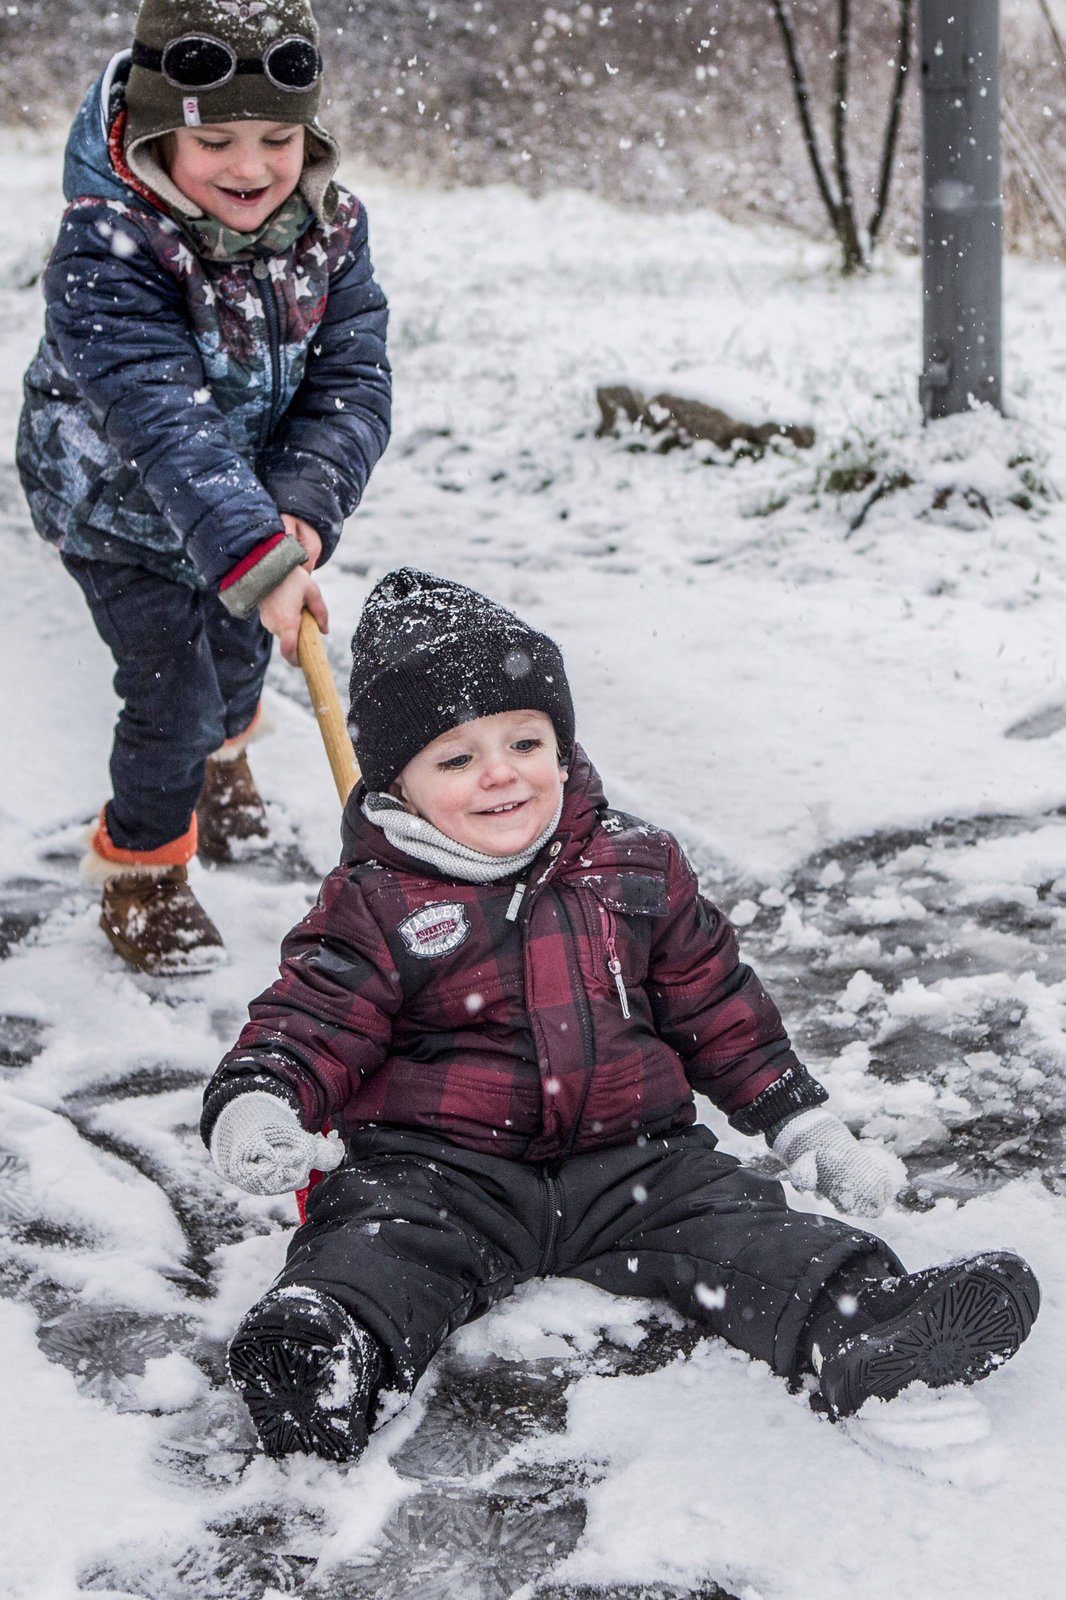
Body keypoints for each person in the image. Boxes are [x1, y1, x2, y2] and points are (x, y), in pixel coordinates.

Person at [202, 568, 1039, 1462]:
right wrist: (259, 1099)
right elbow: (310, 1015)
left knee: (745, 1226)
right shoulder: (378, 901)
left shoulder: (636, 865)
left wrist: (805, 1125)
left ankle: (864, 1324)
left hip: (637, 1164)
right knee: (377, 1244)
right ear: (398, 786)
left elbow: (720, 1008)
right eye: (455, 759)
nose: (501, 775)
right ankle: (326, 1355)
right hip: (444, 1172)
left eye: (525, 741)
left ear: (561, 745)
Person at [17, 0, 391, 974]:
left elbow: (352, 381)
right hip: (117, 508)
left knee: (235, 665)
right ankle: (143, 875)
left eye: (277, 136)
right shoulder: (108, 248)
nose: (251, 166)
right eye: (212, 136)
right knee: (172, 697)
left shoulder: (331, 230)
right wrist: (254, 550)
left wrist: (301, 511)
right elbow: (159, 418)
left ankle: (220, 766)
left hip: (249, 508)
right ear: (150, 134)